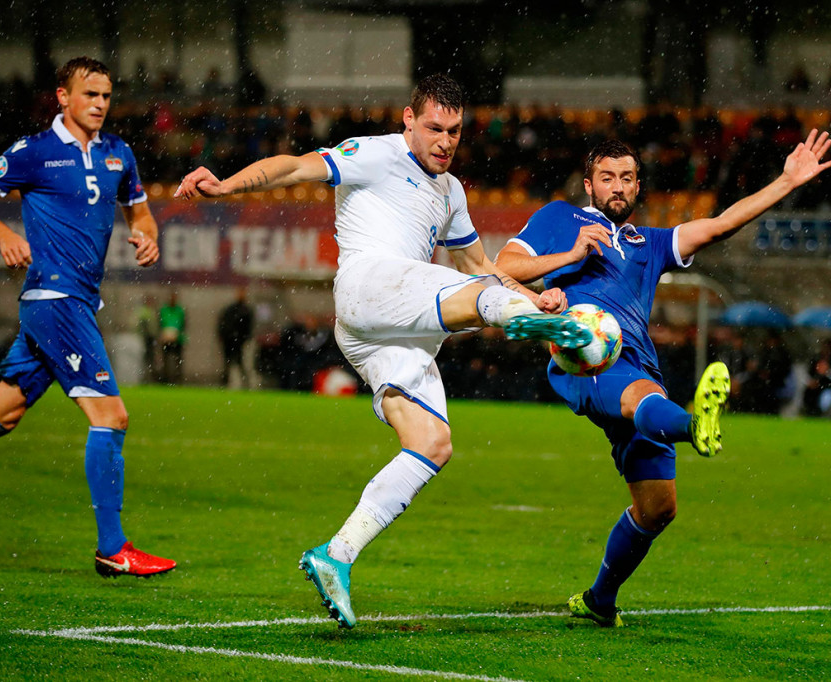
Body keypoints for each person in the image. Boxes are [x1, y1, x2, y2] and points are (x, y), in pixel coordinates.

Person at [176, 74, 593, 628]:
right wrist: (228, 185)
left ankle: (336, 555)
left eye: (455, 131)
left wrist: (536, 298)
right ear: (408, 121)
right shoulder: (373, 154)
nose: (445, 141)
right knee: (479, 300)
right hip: (370, 285)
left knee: (432, 443)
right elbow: (296, 165)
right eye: (435, 128)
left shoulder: (452, 192)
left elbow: (482, 270)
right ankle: (558, 336)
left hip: (390, 331)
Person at [496, 130, 831, 627]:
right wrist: (566, 261)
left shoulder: (648, 243)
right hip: (583, 354)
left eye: (628, 178)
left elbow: (719, 225)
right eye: (608, 177)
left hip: (638, 364)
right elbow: (505, 268)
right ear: (588, 185)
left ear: (638, 188)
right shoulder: (558, 219)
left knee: (658, 508)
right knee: (641, 398)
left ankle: (598, 600)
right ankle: (695, 424)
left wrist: (786, 182)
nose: (618, 186)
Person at [0, 57, 175, 577]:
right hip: (55, 302)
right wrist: (7, 235)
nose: (99, 104)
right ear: (63, 96)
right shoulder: (35, 152)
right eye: (89, 95)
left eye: (106, 95)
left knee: (0, 414)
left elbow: (139, 208)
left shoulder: (119, 153)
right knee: (111, 416)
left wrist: (148, 232)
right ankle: (113, 547)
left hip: (71, 303)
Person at [217, 287, 254, 388]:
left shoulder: (245, 310)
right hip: (230, 340)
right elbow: (223, 323)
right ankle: (226, 382)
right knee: (229, 362)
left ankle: (244, 383)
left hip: (238, 341)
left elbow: (248, 327)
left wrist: (245, 339)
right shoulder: (232, 309)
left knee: (239, 362)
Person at [159, 291, 186, 384]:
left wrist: (177, 333)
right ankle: (166, 379)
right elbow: (161, 323)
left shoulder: (180, 310)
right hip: (166, 339)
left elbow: (183, 324)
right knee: (166, 360)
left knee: (178, 360)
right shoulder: (164, 310)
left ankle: (177, 379)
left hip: (177, 339)